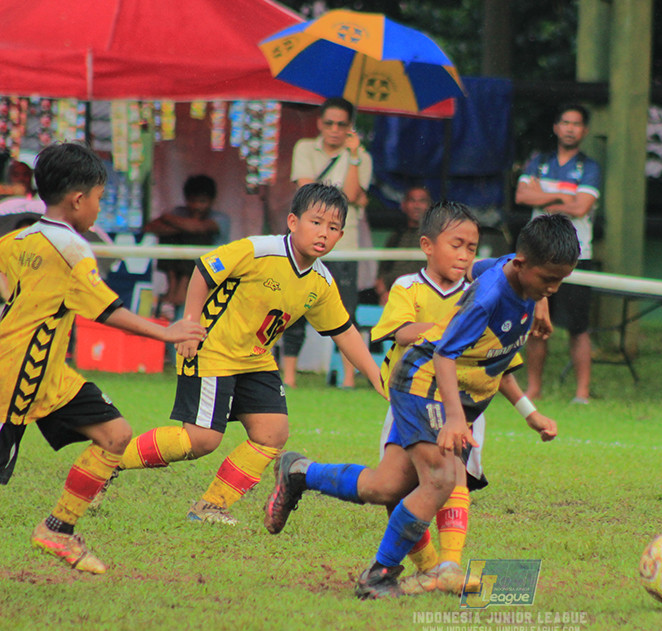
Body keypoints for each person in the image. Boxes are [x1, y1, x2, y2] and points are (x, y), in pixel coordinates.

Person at [263, 213, 580, 600]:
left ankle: (300, 472)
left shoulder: (515, 275)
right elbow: (445, 354)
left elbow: (496, 359)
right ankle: (380, 574)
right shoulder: (489, 298)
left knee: (387, 487)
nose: (554, 288)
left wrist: (530, 412)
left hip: (438, 390)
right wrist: (453, 418)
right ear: (522, 265)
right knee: (443, 479)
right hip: (423, 385)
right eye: (549, 279)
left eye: (560, 280)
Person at [112, 183, 385, 525]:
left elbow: (344, 332)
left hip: (255, 359)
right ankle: (110, 460)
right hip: (212, 349)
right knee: (201, 441)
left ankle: (210, 506)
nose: (323, 234)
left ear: (341, 235)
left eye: (332, 228)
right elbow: (203, 271)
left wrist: (376, 376)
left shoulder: (321, 282)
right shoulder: (259, 250)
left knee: (272, 433)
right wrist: (190, 325)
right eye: (316, 222)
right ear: (292, 221)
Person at [0, 142, 205, 574]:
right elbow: (109, 310)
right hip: (15, 375)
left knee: (115, 434)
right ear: (78, 199)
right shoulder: (73, 250)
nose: (98, 207)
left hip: (49, 374)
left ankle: (58, 528)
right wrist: (166, 332)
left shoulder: (17, 239)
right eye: (98, 198)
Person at [368, 200, 486, 595]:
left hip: (460, 400)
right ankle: (429, 567)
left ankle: (449, 564)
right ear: (427, 245)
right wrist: (448, 328)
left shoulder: (478, 293)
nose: (465, 254)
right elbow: (399, 331)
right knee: (396, 486)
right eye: (456, 244)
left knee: (456, 479)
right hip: (410, 397)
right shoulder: (408, 286)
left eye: (472, 247)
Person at [515, 103, 602, 404]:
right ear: (556, 127)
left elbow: (582, 207)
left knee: (578, 328)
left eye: (576, 124)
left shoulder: (589, 167)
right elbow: (522, 195)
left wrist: (544, 199)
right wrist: (561, 195)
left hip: (578, 256)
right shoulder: (538, 162)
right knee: (536, 325)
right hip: (539, 255)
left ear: (584, 130)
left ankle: (582, 393)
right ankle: (533, 389)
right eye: (564, 122)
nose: (569, 128)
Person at [288, 97, 373, 389]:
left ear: (350, 127)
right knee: (292, 309)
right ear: (319, 124)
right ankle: (289, 376)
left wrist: (354, 158)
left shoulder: (362, 156)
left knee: (345, 315)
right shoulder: (304, 148)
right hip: (304, 245)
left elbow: (348, 195)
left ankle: (347, 379)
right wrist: (350, 198)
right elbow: (306, 194)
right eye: (329, 123)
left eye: (342, 124)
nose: (335, 129)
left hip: (344, 247)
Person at [146, 174, 231, 317]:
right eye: (193, 201)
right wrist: (184, 226)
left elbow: (199, 228)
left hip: (210, 271)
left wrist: (169, 219)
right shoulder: (180, 213)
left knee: (197, 236)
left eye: (202, 201)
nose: (197, 206)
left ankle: (183, 287)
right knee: (174, 236)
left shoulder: (221, 218)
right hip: (176, 273)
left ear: (212, 201)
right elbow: (150, 228)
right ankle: (173, 287)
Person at [373, 185, 433, 306]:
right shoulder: (396, 236)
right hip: (393, 295)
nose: (416, 206)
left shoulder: (435, 237)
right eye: (412, 200)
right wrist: (384, 292)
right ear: (403, 205)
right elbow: (382, 273)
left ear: (430, 206)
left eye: (422, 201)